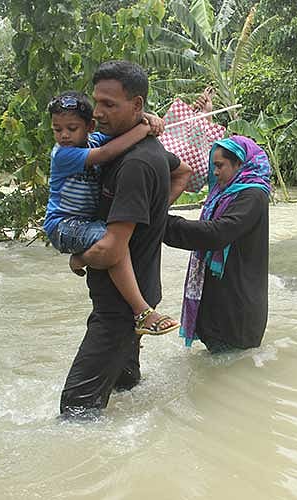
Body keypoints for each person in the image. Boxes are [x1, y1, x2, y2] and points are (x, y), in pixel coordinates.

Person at [59, 61, 192, 416]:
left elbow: (111, 249)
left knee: (76, 409)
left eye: (109, 105)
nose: (98, 113)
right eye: (97, 102)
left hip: (120, 309)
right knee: (125, 388)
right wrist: (148, 214)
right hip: (140, 295)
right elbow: (183, 172)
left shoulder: (135, 164)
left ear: (138, 106)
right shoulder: (141, 150)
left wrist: (78, 257)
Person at [44, 90, 179, 337]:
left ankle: (81, 257)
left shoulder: (94, 140)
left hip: (84, 223)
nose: (63, 135)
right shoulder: (63, 154)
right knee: (114, 244)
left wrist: (146, 117)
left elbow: (119, 130)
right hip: (63, 225)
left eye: (71, 128)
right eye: (57, 129)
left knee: (111, 240)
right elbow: (107, 154)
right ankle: (142, 312)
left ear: (89, 127)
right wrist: (143, 129)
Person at [164, 135, 271, 353]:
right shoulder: (224, 194)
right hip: (221, 303)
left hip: (236, 309)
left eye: (220, 165)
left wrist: (162, 225)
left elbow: (217, 234)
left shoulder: (252, 195)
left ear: (240, 163)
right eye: (214, 166)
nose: (215, 172)